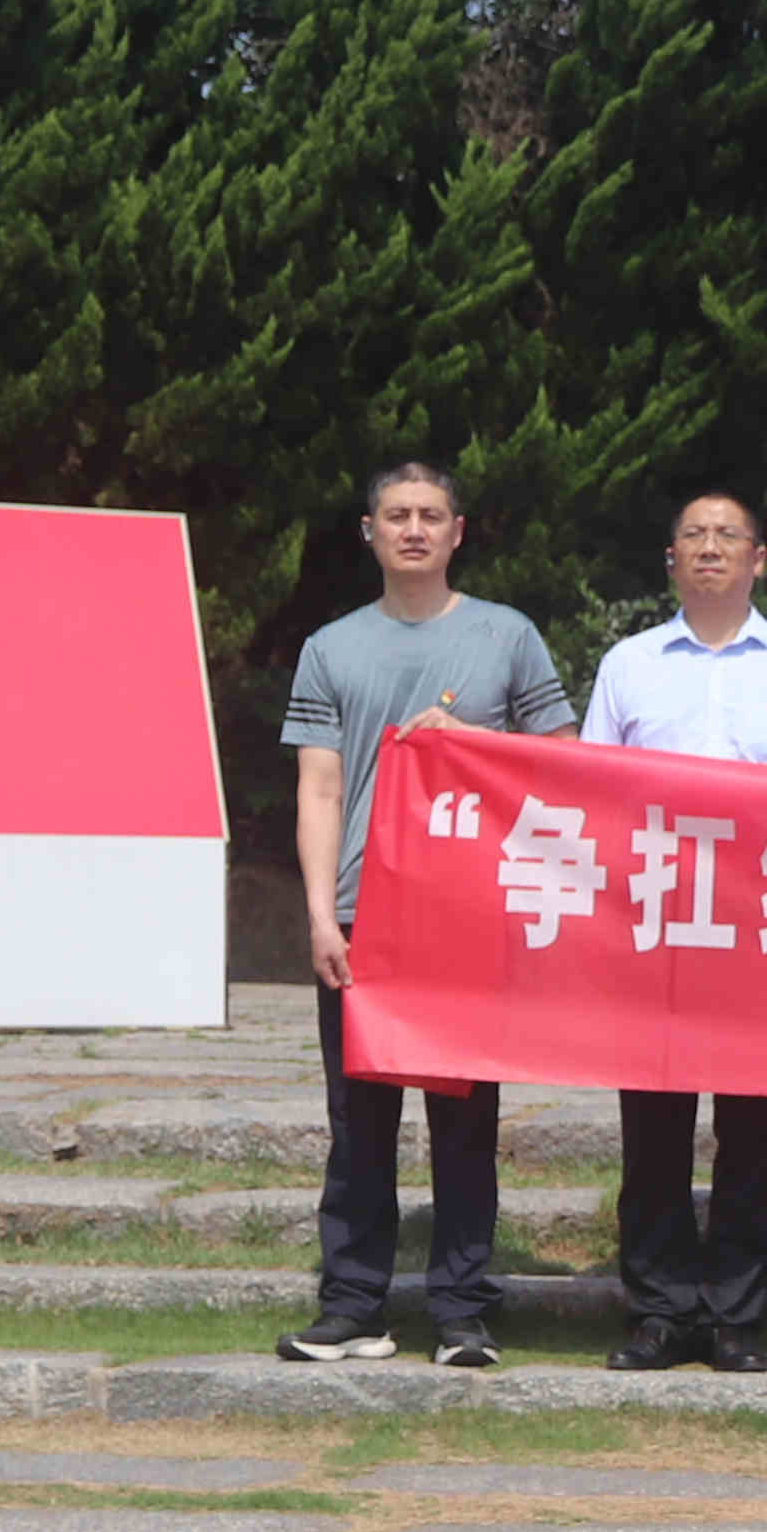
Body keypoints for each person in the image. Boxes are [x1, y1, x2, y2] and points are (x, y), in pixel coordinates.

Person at [275, 461, 574, 1369]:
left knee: (464, 1123)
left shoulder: (505, 636)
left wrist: (474, 742)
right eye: (396, 514)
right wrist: (322, 916)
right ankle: (354, 1304)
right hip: (366, 917)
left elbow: (560, 761)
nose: (413, 528)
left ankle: (461, 1310)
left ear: (457, 531)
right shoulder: (331, 646)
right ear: (368, 531)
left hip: (465, 917)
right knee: (357, 1122)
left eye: (430, 515)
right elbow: (319, 788)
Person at [580, 489, 767, 1373]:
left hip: (765, 935)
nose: (710, 548)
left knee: (754, 1129)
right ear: (670, 559)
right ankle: (661, 1308)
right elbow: (592, 794)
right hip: (656, 932)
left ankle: (737, 1309)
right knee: (654, 1130)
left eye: (727, 536)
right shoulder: (629, 664)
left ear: (759, 559)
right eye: (693, 536)